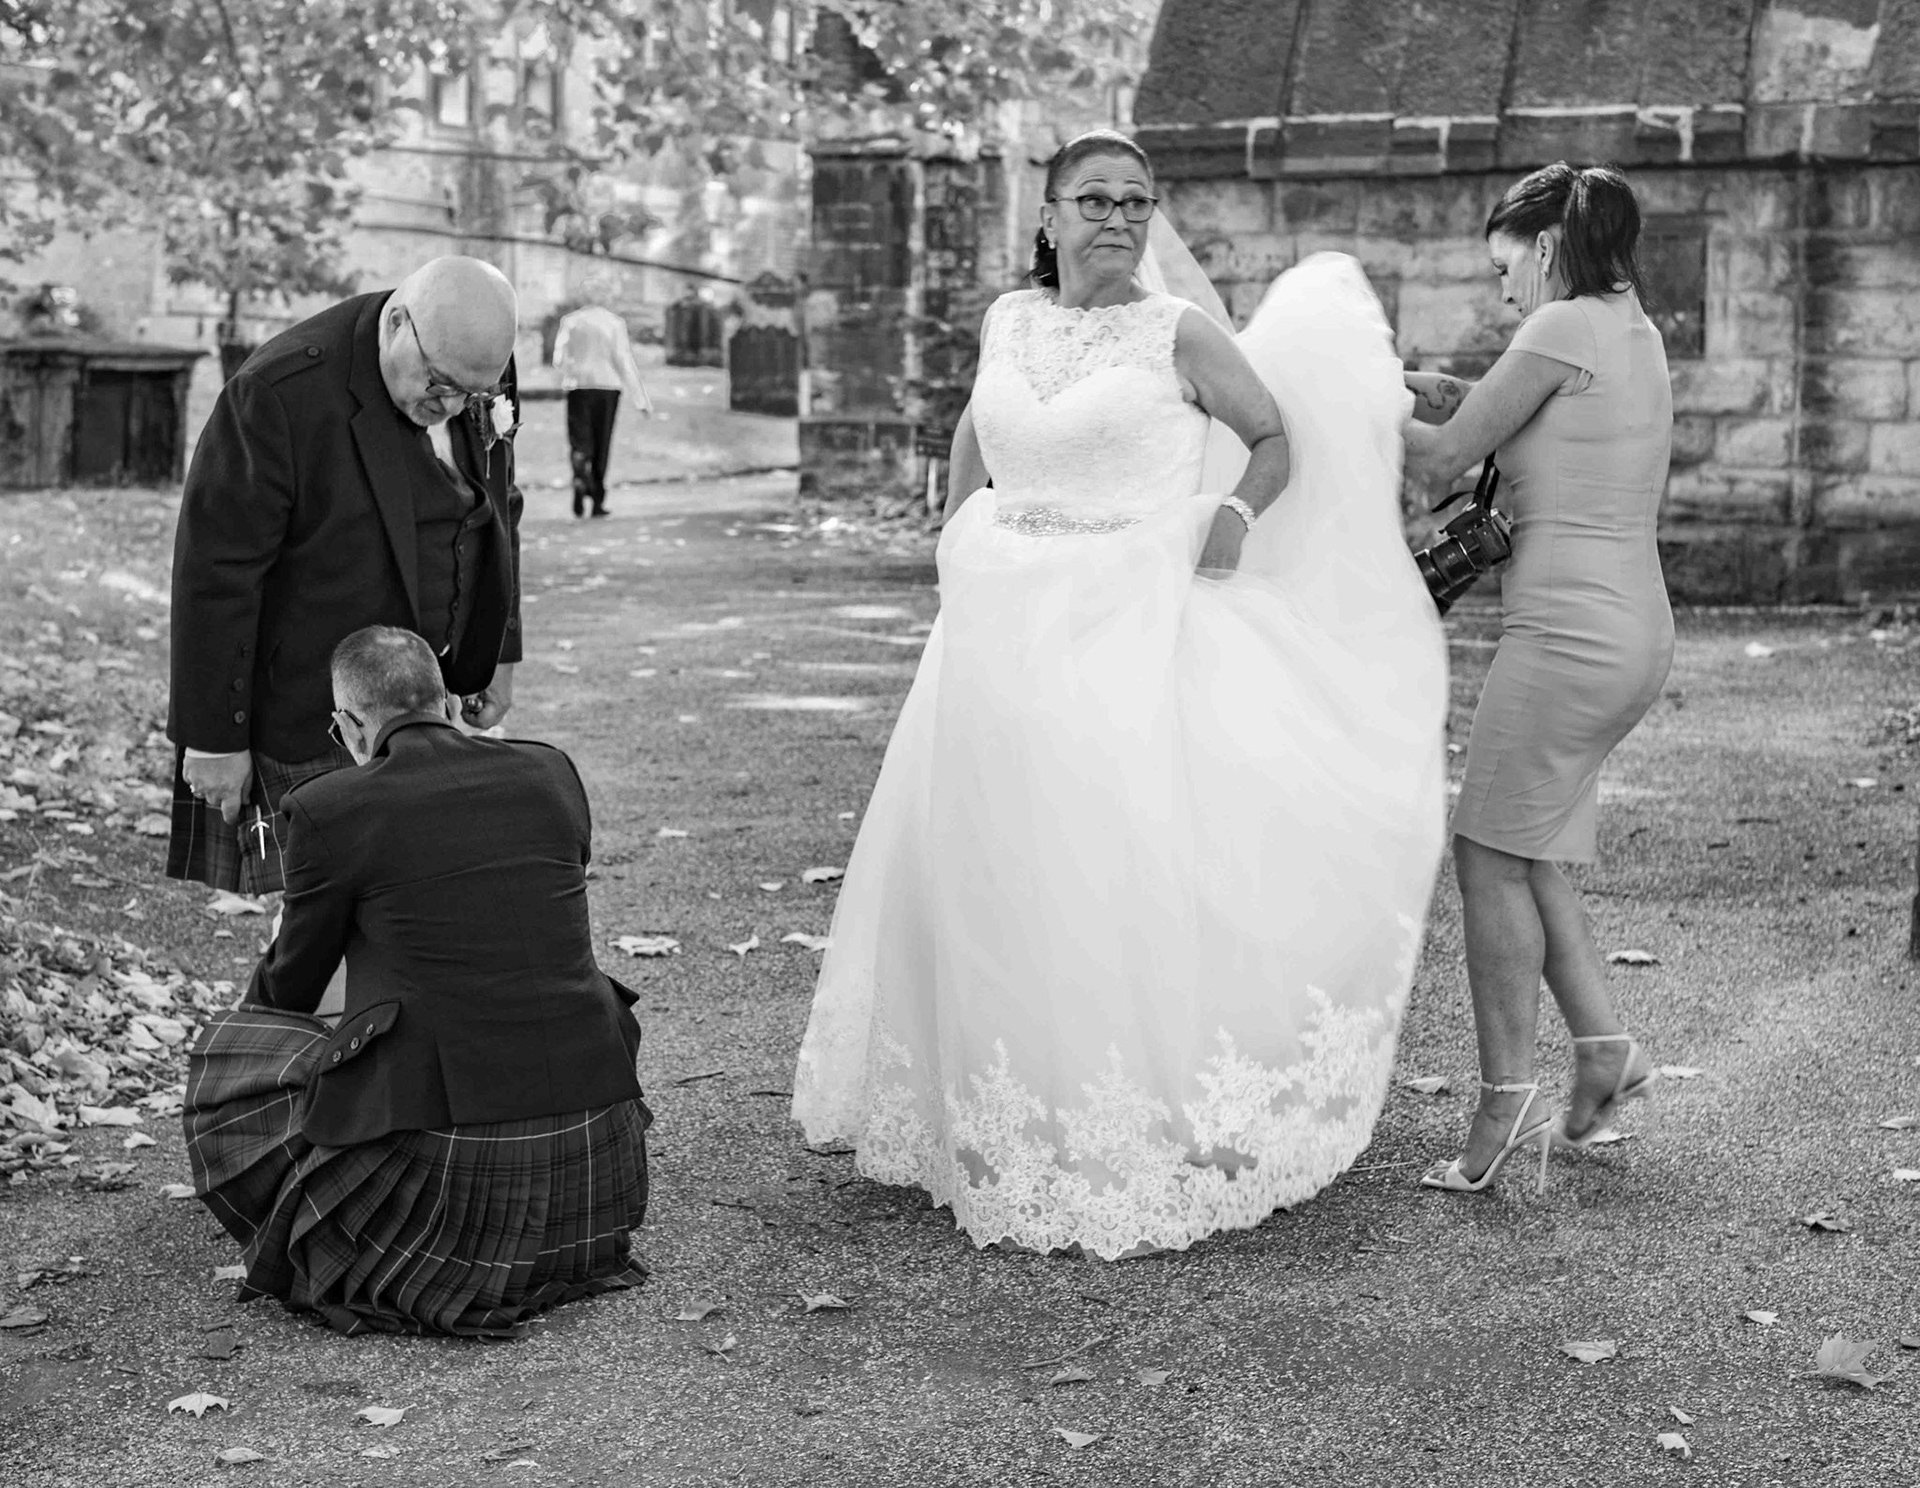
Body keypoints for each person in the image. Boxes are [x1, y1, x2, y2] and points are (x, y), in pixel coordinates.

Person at [790, 130, 1450, 1258]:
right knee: (988, 857)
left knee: (1100, 860)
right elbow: (977, 427)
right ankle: (989, 1106)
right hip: (995, 627)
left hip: (1128, 621)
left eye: (1136, 201)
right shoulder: (1008, 319)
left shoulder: (1178, 331)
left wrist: (1231, 517)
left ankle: (1119, 1114)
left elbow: (1272, 437)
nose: (1117, 218)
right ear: (1047, 217)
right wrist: (954, 531)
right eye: (1094, 199)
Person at [182, 626, 651, 1337]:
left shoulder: (328, 807)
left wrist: (256, 1040)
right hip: (590, 1143)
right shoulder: (550, 770)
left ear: (350, 726)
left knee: (233, 1051)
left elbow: (295, 981)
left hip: (445, 1171)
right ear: (449, 702)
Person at [1402, 162, 1671, 1195]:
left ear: (1548, 246)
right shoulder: (1628, 328)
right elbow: (1528, 418)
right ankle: (1604, 1051)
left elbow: (1438, 461)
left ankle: (1503, 1102)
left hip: (1565, 639)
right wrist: (1446, 392)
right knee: (1526, 848)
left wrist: (1337, 396)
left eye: (1505, 267)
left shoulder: (1558, 327)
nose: (1504, 291)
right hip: (1631, 632)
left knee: (1485, 856)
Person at [167, 255, 526, 896]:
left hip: (428, 702)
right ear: (397, 324)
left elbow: (500, 507)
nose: (450, 406)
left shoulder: (472, 363)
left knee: (409, 907)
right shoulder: (279, 393)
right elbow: (216, 572)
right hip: (309, 707)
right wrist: (214, 740)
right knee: (319, 919)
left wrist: (497, 649)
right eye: (438, 384)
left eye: (469, 396)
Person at [552, 302, 651, 518]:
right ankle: (597, 499)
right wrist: (641, 400)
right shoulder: (615, 323)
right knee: (602, 442)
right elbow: (623, 360)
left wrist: (570, 372)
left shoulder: (571, 322)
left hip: (579, 386)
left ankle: (580, 477)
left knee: (579, 440)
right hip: (607, 386)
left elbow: (558, 359)